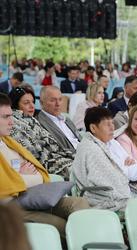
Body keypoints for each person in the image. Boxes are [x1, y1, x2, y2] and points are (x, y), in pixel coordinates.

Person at [0, 93, 89, 246]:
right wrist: (21, 177)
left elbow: (40, 175)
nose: (12, 122)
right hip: (10, 209)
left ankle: (90, 244)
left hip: (32, 198)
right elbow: (5, 188)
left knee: (79, 203)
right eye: (6, 117)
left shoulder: (8, 143)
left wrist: (18, 177)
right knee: (61, 226)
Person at [72, 107, 137, 211]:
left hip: (118, 195)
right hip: (103, 200)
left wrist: (124, 168)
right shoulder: (90, 148)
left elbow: (134, 168)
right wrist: (124, 167)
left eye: (112, 123)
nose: (112, 128)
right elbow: (105, 180)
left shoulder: (110, 142)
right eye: (107, 124)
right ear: (93, 128)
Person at [9, 86, 75, 178]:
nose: (32, 106)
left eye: (32, 102)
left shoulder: (32, 121)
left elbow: (52, 144)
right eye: (26, 103)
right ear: (16, 105)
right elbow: (32, 152)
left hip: (59, 157)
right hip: (45, 164)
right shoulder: (13, 124)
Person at [37, 86, 81, 153]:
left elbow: (79, 138)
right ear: (41, 103)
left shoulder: (67, 120)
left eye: (60, 99)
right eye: (53, 100)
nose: (58, 104)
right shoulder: (39, 123)